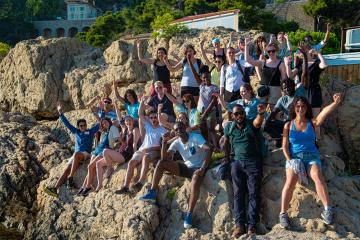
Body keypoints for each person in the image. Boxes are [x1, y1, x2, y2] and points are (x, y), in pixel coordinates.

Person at [279, 93, 342, 229]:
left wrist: (335, 103)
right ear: (294, 108)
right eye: (297, 106)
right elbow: (284, 146)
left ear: (307, 108)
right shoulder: (288, 125)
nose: (300, 109)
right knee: (290, 181)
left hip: (312, 156)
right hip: (294, 157)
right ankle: (283, 214)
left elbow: (323, 114)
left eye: (303, 106)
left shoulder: (312, 123)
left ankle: (327, 209)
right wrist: (290, 160)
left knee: (317, 177)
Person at [138, 122, 212, 229]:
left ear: (185, 128)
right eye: (176, 129)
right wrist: (164, 143)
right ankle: (152, 192)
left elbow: (209, 148)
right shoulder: (177, 142)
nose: (179, 130)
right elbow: (165, 158)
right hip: (187, 168)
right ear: (175, 132)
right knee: (160, 163)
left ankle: (189, 214)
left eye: (181, 128)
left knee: (195, 178)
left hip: (199, 168)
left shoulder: (195, 137)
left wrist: (203, 168)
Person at [223, 104, 266, 237]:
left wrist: (261, 113)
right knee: (238, 194)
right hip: (236, 163)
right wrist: (226, 159)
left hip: (253, 162)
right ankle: (239, 225)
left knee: (253, 193)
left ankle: (252, 225)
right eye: (236, 114)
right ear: (232, 116)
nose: (239, 116)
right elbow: (225, 142)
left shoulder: (250, 124)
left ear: (244, 114)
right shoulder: (229, 127)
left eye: (241, 113)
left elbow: (258, 123)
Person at [43, 102, 99, 197]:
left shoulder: (90, 132)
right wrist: (60, 112)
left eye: (84, 125)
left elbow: (100, 123)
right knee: (66, 170)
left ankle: (70, 177)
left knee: (76, 154)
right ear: (78, 127)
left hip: (85, 154)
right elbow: (67, 124)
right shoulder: (76, 131)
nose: (83, 127)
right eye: (81, 126)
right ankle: (55, 189)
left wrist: (96, 113)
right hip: (76, 155)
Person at [115, 97, 167, 194]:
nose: (153, 119)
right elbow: (140, 114)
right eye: (151, 117)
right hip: (142, 149)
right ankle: (125, 186)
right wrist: (142, 101)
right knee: (131, 163)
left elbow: (163, 145)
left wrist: (150, 148)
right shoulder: (148, 126)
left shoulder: (163, 130)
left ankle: (141, 181)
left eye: (155, 117)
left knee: (146, 157)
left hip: (153, 150)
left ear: (158, 117)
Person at [264, 45, 310, 146]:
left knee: (291, 123)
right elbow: (274, 112)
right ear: (282, 90)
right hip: (288, 124)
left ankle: (293, 139)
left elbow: (305, 75)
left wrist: (305, 57)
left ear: (294, 86)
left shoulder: (300, 91)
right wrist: (266, 122)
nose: (287, 89)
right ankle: (281, 139)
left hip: (300, 123)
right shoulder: (283, 99)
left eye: (289, 86)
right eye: (284, 88)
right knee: (267, 124)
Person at [94, 115, 140, 192]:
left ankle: (110, 168)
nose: (128, 122)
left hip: (125, 155)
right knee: (98, 163)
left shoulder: (135, 130)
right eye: (127, 121)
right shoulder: (125, 130)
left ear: (133, 121)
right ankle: (99, 185)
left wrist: (134, 157)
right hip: (120, 153)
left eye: (130, 120)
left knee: (105, 151)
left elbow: (134, 144)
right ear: (125, 122)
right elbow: (119, 120)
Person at [78, 117, 120, 196]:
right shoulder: (104, 132)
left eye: (106, 122)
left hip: (103, 151)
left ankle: (87, 186)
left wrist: (118, 147)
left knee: (90, 166)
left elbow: (117, 139)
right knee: (90, 168)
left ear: (109, 121)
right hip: (97, 151)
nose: (104, 124)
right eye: (103, 123)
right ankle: (84, 186)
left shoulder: (112, 128)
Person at [245, 38, 287, 110]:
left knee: (274, 112)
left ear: (276, 51)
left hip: (275, 89)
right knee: (260, 110)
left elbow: (284, 79)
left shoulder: (281, 64)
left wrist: (285, 93)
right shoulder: (263, 62)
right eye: (269, 51)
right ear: (267, 52)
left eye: (273, 51)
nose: (271, 53)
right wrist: (246, 46)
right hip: (263, 88)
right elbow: (248, 60)